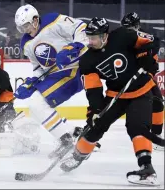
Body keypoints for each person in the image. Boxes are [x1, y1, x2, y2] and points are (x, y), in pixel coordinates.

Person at [58, 17, 161, 186]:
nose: (90, 41)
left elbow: (152, 41)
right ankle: (77, 156)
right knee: (95, 126)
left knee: (137, 127)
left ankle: (147, 169)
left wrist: (146, 59)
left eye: (94, 37)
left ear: (105, 35)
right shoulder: (87, 60)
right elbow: (93, 89)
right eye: (88, 37)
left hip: (141, 90)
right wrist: (94, 111)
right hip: (116, 95)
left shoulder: (123, 35)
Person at [14, 4, 93, 156]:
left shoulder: (53, 21)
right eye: (21, 28)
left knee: (37, 103)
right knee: (35, 108)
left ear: (35, 20)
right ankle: (71, 132)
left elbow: (81, 27)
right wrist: (30, 82)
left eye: (26, 26)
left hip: (74, 69)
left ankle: (66, 141)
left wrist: (75, 47)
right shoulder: (26, 43)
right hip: (56, 74)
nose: (25, 30)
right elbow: (39, 68)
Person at [121, 12, 164, 151]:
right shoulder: (119, 40)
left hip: (145, 79)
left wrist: (150, 67)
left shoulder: (145, 39)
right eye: (126, 27)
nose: (128, 30)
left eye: (131, 27)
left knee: (157, 102)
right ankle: (90, 135)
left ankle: (156, 136)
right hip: (125, 80)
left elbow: (154, 50)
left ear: (137, 26)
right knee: (106, 108)